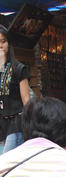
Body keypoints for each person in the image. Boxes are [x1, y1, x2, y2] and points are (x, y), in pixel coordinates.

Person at [0, 24, 30, 153]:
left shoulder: (18, 68)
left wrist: (30, 123)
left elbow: (26, 99)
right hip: (1, 123)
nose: (0, 45)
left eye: (3, 41)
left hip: (16, 122)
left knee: (7, 161)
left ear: (9, 44)